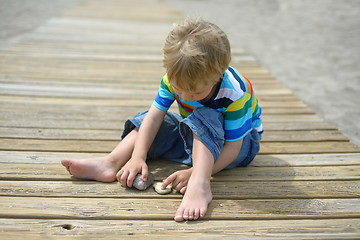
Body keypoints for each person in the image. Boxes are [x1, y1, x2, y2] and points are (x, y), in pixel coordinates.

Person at [61, 18, 263, 222]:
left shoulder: (235, 93)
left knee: (203, 115)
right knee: (151, 119)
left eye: (196, 92)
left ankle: (200, 184)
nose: (184, 97)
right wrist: (138, 157)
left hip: (237, 148)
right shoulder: (173, 78)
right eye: (178, 89)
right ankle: (111, 162)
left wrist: (194, 173)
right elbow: (154, 118)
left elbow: (234, 147)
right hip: (197, 139)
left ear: (217, 76)